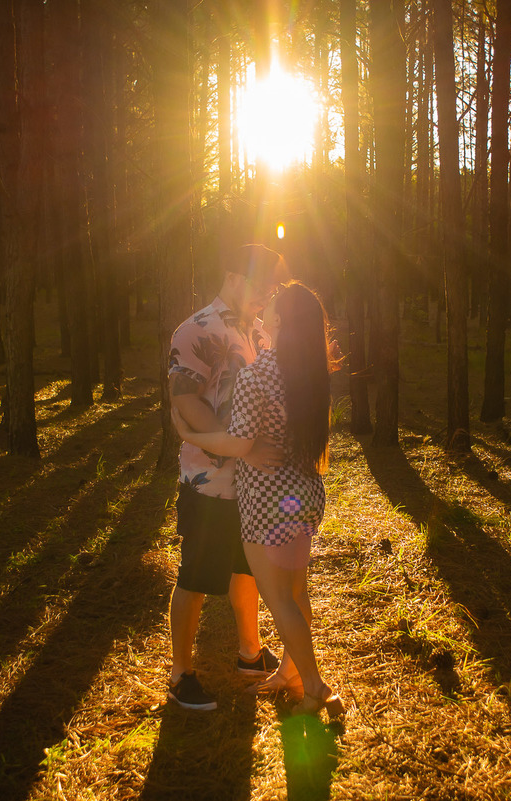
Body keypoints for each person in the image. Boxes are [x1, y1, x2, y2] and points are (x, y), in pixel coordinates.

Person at [173, 280, 343, 718]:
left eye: (273, 308)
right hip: (305, 494)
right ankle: (290, 672)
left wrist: (190, 432)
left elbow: (241, 441)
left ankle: (314, 685)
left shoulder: (259, 373)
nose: (264, 309)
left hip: (267, 500)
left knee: (280, 599)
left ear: (282, 322)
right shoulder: (311, 372)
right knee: (295, 591)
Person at [166, 244, 290, 711]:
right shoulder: (196, 329)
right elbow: (185, 399)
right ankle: (181, 674)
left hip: (256, 483)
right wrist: (236, 446)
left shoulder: (261, 333)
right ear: (236, 275)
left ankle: (249, 654)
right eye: (263, 285)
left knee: (248, 568)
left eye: (273, 288)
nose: (268, 295)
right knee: (197, 576)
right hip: (210, 482)